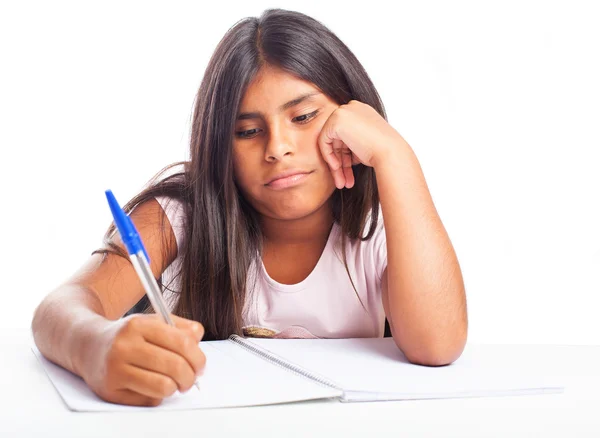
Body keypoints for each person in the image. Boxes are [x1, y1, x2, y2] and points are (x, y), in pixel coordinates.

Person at [31, 8, 468, 407]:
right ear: (220, 146)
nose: (278, 148)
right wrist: (94, 345)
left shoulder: (383, 224)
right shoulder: (179, 217)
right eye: (248, 131)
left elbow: (437, 345)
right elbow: (61, 307)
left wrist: (396, 156)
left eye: (302, 118)